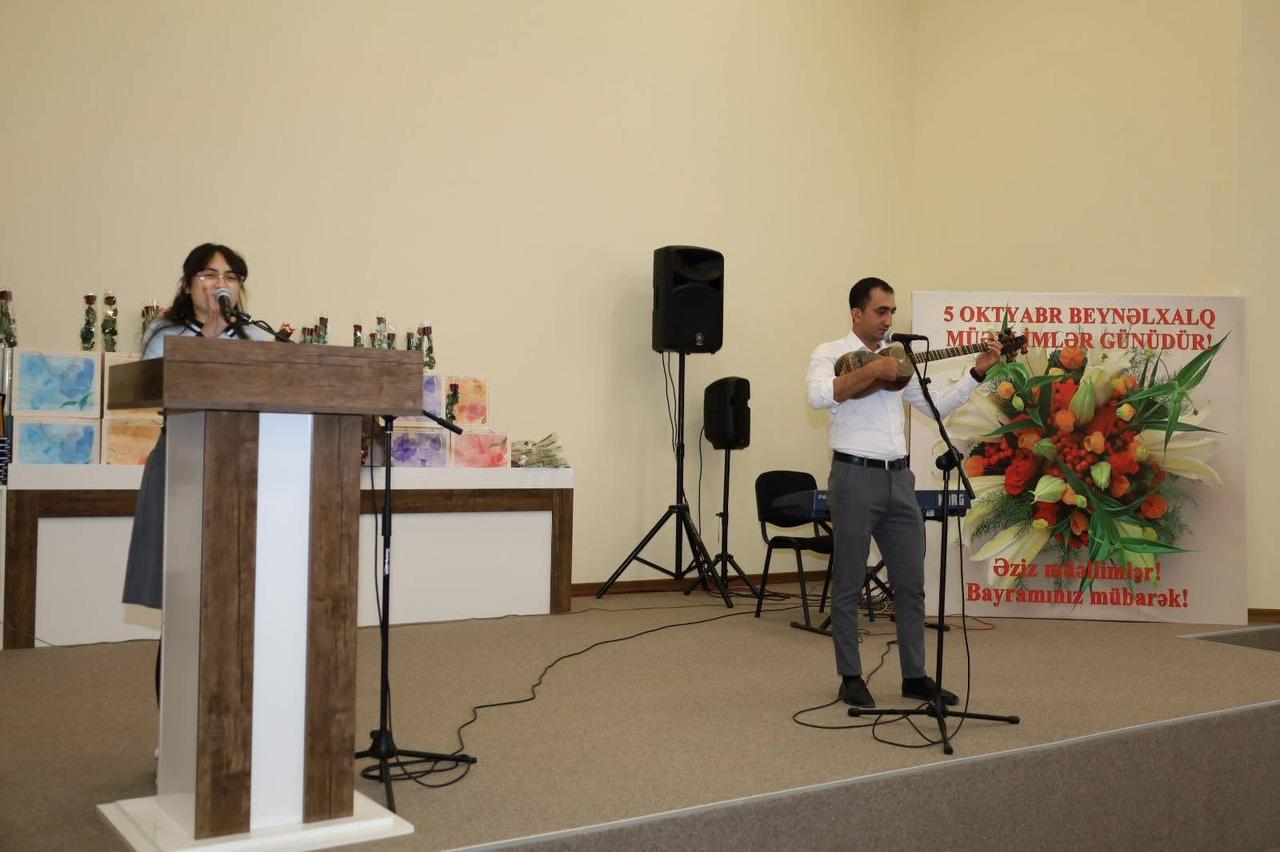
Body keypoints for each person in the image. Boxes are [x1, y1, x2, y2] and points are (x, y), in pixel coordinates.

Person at [806, 277, 1001, 707]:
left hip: (899, 478)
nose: (888, 319)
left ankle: (914, 676)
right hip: (854, 476)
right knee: (849, 580)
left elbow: (937, 407)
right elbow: (818, 397)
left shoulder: (900, 357)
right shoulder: (830, 352)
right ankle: (850, 676)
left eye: (892, 311)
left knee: (911, 583)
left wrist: (977, 373)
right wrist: (873, 370)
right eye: (881, 311)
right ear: (857, 313)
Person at [121, 243, 273, 698]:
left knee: (235, 596)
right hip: (182, 467)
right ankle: (174, 719)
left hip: (241, 467)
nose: (220, 284)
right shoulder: (164, 333)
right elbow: (163, 387)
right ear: (188, 285)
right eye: (208, 275)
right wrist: (208, 338)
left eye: (230, 276)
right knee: (184, 600)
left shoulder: (254, 339)